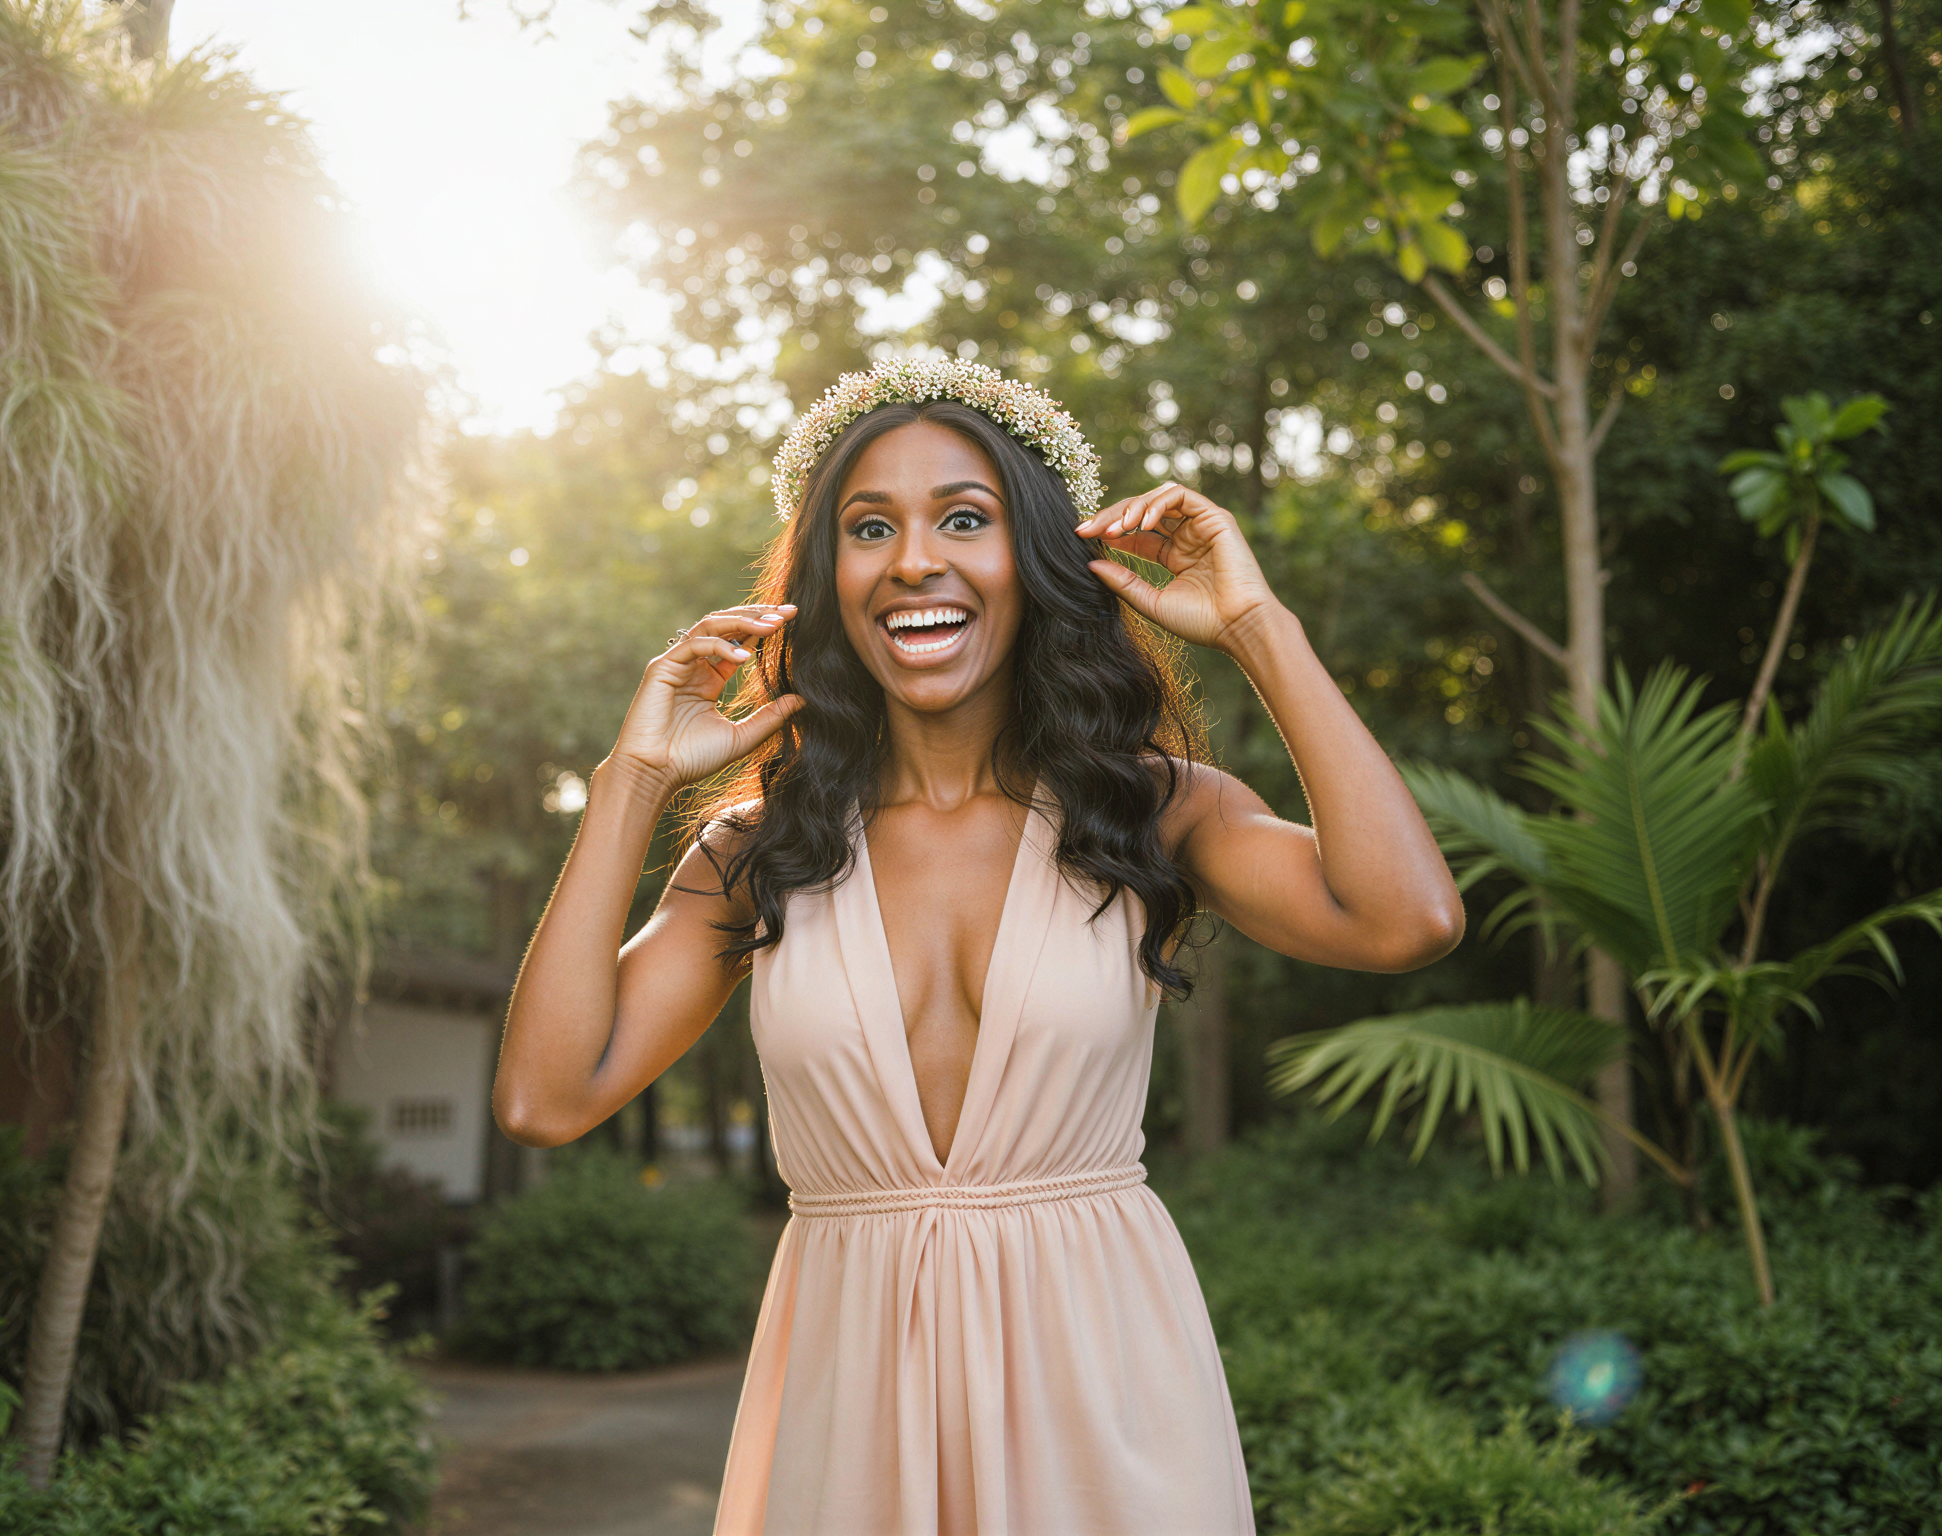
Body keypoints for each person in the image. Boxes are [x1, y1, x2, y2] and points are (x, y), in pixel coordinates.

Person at [493, 359, 1464, 1534]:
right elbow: (545, 1098)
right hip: (845, 1421)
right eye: (868, 528)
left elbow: (1404, 919)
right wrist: (631, 779)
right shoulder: (764, 848)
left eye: (965, 518)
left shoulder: (1152, 809)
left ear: (1036, 562)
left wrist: (1257, 627)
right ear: (824, 580)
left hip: (1105, 1407)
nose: (913, 559)